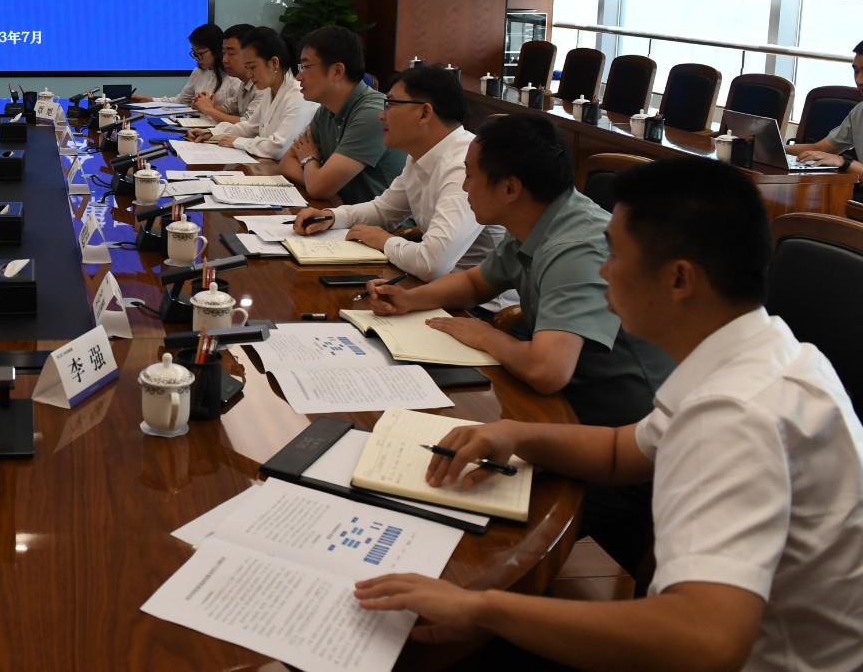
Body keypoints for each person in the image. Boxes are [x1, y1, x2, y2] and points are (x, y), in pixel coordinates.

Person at [355, 156, 863, 672]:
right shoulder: (763, 352)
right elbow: (623, 451)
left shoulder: (735, 415)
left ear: (679, 279)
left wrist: (483, 608)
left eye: (615, 255)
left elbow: (705, 641)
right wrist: (515, 435)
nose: (602, 271)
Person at [367, 112, 674, 576]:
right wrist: (409, 299)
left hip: (624, 446)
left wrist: (487, 335)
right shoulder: (539, 221)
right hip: (571, 416)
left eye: (471, 176)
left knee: (469, 527)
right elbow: (476, 283)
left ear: (510, 188)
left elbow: (549, 370)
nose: (464, 186)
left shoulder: (577, 245)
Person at [292, 65, 502, 282]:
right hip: (439, 286)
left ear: (424, 113)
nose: (381, 115)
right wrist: (332, 217)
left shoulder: (463, 166)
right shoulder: (420, 155)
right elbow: (384, 211)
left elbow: (433, 264)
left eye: (390, 104)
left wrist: (384, 240)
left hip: (480, 300)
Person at [281, 25, 406, 204]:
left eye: (306, 67)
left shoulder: (373, 114)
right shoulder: (326, 109)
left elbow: (317, 187)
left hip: (382, 220)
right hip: (345, 212)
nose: (299, 76)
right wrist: (327, 191)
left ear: (337, 71)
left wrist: (309, 159)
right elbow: (287, 163)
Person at [186, 26, 315, 159]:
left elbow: (280, 147)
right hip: (267, 163)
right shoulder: (270, 89)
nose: (249, 74)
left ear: (274, 63)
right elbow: (250, 127)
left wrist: (238, 142)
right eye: (246, 67)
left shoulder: (298, 94)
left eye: (252, 67)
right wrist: (212, 132)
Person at [789, 38, 863, 184]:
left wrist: (845, 162)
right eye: (856, 71)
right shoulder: (860, 111)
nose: (859, 80)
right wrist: (773, 149)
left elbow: (838, 159)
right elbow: (822, 148)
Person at [134, 22, 236, 106]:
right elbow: (181, 101)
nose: (197, 58)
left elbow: (237, 116)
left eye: (200, 53)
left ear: (216, 50)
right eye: (194, 53)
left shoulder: (233, 75)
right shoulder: (198, 72)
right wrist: (149, 99)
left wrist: (207, 108)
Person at [192, 22, 258, 125]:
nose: (225, 60)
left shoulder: (263, 86)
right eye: (223, 53)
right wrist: (203, 104)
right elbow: (228, 108)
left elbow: (249, 124)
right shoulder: (243, 82)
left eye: (231, 53)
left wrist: (208, 109)